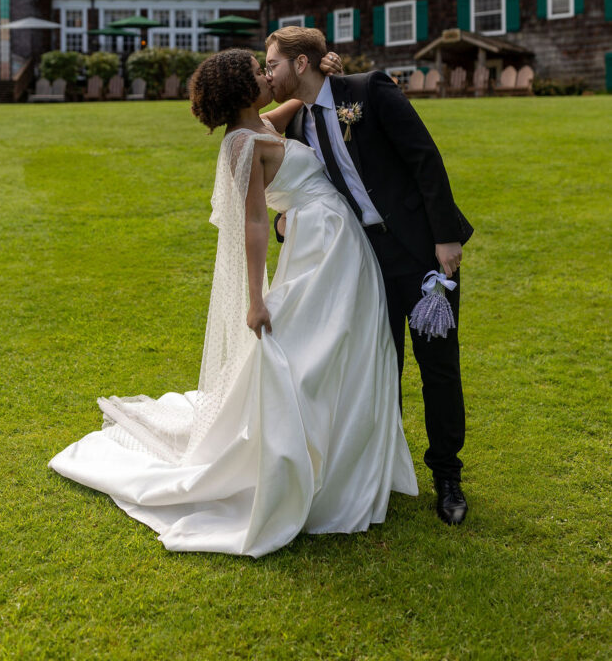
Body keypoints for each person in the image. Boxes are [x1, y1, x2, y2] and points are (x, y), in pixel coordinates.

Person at [48, 48, 417, 557]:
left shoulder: (265, 121)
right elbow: (253, 224)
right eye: (259, 72)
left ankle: (348, 456)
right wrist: (255, 297)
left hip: (336, 243)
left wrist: (325, 74)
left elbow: (303, 104)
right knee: (315, 350)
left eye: (267, 68)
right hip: (320, 249)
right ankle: (309, 463)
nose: (268, 75)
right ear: (242, 91)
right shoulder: (243, 145)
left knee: (348, 345)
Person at [265, 26, 473, 525]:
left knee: (438, 367)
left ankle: (447, 477)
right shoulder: (297, 125)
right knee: (382, 368)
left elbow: (424, 157)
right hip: (362, 264)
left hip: (422, 255)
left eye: (272, 63)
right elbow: (302, 185)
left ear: (301, 62)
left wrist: (445, 237)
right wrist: (280, 220)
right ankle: (382, 469)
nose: (268, 72)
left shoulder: (367, 90)